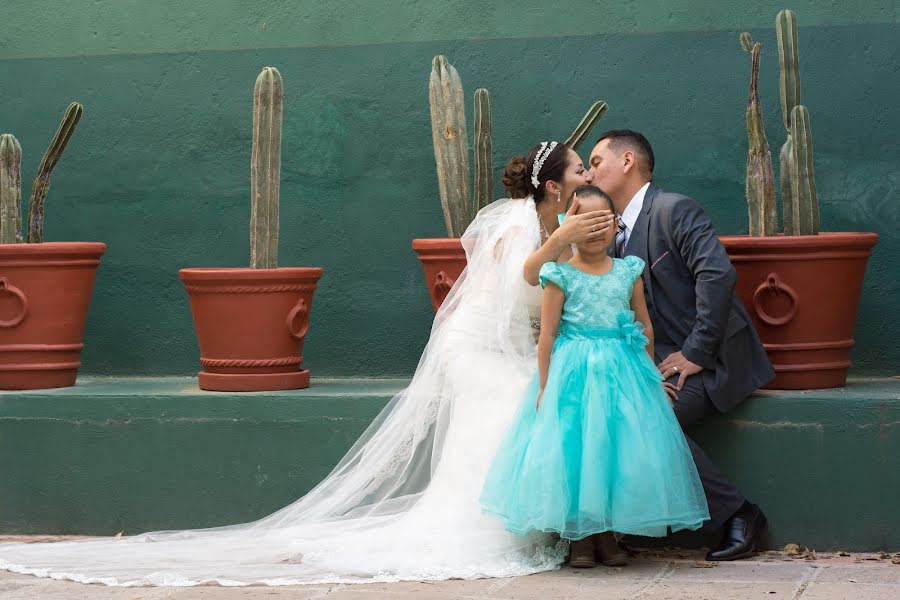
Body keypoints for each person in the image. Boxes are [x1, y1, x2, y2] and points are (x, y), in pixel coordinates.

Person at [0, 142, 615, 586]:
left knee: (537, 392)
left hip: (510, 338)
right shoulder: (514, 225)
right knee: (513, 397)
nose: (589, 173)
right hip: (476, 344)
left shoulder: (558, 222)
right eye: (580, 167)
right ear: (555, 186)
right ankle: (490, 526)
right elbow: (520, 286)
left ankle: (536, 521)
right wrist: (559, 253)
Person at [526, 130, 774, 562]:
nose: (589, 171)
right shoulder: (606, 228)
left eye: (597, 161)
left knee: (645, 418)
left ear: (627, 161)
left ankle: (741, 514)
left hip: (708, 360)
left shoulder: (674, 209)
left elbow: (716, 276)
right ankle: (601, 530)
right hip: (651, 363)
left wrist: (697, 353)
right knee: (601, 412)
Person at [481, 185, 710, 569]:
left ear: (616, 224)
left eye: (603, 221)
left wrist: (650, 378)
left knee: (614, 453)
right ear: (567, 224)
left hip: (622, 374)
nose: (595, 230)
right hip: (574, 373)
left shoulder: (627, 271)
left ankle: (608, 535)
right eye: (584, 221)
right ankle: (580, 540)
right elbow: (549, 335)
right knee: (577, 451)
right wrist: (544, 383)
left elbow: (645, 327)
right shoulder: (559, 275)